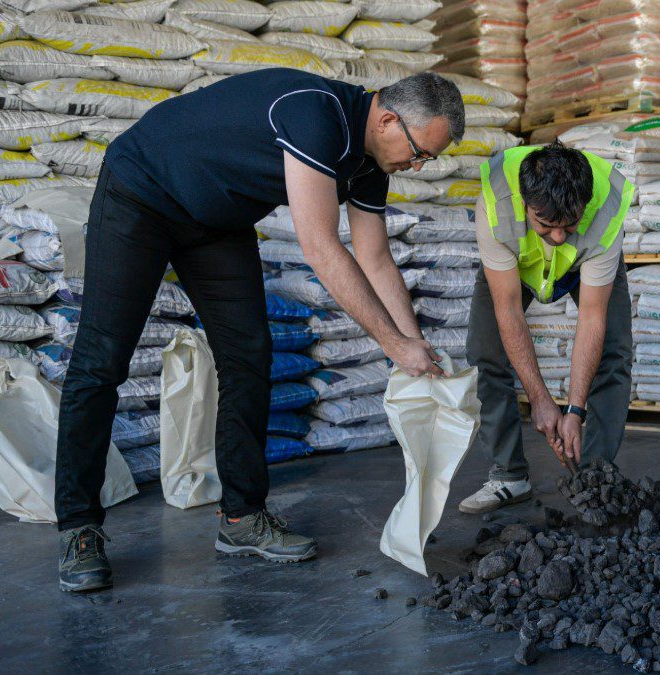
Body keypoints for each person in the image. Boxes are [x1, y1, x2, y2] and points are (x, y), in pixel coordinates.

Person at [55, 68, 465, 592]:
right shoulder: (316, 114)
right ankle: (78, 527)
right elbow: (320, 246)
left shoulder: (370, 161)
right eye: (420, 151)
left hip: (215, 222)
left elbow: (376, 258)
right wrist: (391, 344)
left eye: (428, 158)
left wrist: (414, 347)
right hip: (143, 191)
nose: (419, 163)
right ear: (387, 119)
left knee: (249, 356)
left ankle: (241, 517)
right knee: (101, 360)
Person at [457, 143, 635, 514]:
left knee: (614, 352)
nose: (557, 237)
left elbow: (591, 318)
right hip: (514, 266)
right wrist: (539, 400)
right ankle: (509, 476)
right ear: (524, 203)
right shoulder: (495, 205)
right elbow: (507, 309)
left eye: (569, 226)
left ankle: (595, 475)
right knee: (484, 354)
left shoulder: (606, 209)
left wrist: (574, 411)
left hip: (582, 267)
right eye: (546, 225)